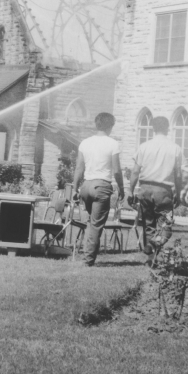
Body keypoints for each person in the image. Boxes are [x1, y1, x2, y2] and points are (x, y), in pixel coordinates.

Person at [127, 116, 182, 264]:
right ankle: (153, 246)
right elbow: (178, 175)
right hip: (163, 190)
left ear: (153, 128)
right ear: (168, 128)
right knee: (166, 225)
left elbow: (135, 172)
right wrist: (179, 192)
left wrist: (130, 190)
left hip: (145, 189)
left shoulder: (144, 146)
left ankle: (151, 258)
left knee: (148, 224)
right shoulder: (175, 148)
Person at [73, 112, 124, 267]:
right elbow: (116, 170)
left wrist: (75, 188)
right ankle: (88, 260)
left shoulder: (85, 142)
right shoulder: (113, 143)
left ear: (96, 124)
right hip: (101, 186)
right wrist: (121, 187)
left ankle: (86, 253)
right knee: (96, 225)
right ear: (110, 126)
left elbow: (79, 168)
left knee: (91, 222)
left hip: (86, 186)